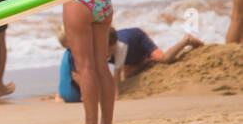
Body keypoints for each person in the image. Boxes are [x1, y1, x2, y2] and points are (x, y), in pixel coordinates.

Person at [57, 27, 203, 102]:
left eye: (109, 52)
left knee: (163, 59)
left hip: (138, 41)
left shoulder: (120, 47)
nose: (106, 54)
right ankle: (145, 62)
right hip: (130, 55)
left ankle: (186, 40)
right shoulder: (101, 46)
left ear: (114, 46)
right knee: (128, 74)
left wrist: (115, 95)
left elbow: (115, 73)